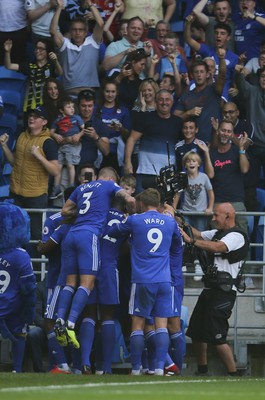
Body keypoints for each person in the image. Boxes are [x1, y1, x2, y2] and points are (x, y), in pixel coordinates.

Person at [54, 167, 135, 349]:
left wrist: (81, 212)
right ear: (112, 180)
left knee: (70, 283)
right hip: (89, 237)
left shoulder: (81, 188)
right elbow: (128, 197)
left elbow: (64, 211)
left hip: (71, 235)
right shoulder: (109, 185)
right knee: (86, 284)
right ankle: (70, 324)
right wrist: (131, 210)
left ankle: (60, 320)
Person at [108, 188, 183, 375]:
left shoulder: (135, 220)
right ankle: (159, 368)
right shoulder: (169, 221)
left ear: (141, 204)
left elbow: (114, 231)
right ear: (158, 204)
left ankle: (135, 368)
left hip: (142, 280)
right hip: (164, 280)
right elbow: (176, 244)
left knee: (138, 324)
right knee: (162, 326)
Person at [180, 202, 249, 376]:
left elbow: (218, 247)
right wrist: (181, 222)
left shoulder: (236, 235)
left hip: (224, 291)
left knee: (217, 335)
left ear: (228, 215)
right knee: (196, 331)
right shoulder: (218, 233)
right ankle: (202, 369)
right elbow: (199, 234)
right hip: (211, 288)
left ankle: (233, 373)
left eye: (216, 215)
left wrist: (192, 241)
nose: (213, 218)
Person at [0, 106, 59, 242]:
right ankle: (17, 263)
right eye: (30, 115)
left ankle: (37, 264)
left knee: (36, 234)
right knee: (13, 232)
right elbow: (14, 162)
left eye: (36, 116)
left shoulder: (48, 142)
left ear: (44, 122)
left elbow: (55, 171)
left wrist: (39, 156)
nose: (31, 118)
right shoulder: (21, 136)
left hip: (36, 195)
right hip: (16, 193)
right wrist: (4, 146)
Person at [0, 203, 36, 373]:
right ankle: (17, 369)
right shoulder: (21, 255)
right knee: (20, 332)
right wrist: (30, 313)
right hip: (11, 306)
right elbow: (28, 289)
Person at [124, 89, 183, 194]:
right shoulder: (145, 118)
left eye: (167, 99)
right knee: (143, 206)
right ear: (156, 102)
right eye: (161, 99)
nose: (164, 102)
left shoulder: (178, 123)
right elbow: (131, 139)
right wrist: (128, 162)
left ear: (172, 102)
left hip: (168, 174)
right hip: (145, 171)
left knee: (164, 207)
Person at [50, 0, 104, 95]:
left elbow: (100, 24)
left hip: (89, 95)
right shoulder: (65, 45)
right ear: (70, 31)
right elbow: (53, 31)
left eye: (80, 30)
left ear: (86, 32)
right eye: (74, 30)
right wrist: (59, 8)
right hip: (69, 95)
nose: (77, 33)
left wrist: (90, 4)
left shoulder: (93, 42)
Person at [174, 53, 226, 144]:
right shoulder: (186, 96)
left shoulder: (214, 90)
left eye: (202, 72)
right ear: (192, 75)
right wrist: (188, 113)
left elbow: (222, 75)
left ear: (207, 75)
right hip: (192, 146)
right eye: (196, 72)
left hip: (213, 143)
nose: (199, 75)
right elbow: (175, 119)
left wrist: (221, 59)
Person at [184, 14, 238, 102]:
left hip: (223, 89)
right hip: (205, 86)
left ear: (228, 37)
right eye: (216, 33)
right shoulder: (207, 50)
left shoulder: (234, 58)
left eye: (222, 33)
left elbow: (235, 78)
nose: (218, 36)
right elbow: (189, 40)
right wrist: (188, 24)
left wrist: (236, 89)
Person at [209, 120, 249, 233]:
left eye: (228, 131)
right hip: (218, 201)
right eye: (223, 130)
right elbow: (209, 175)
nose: (225, 133)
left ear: (232, 134)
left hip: (237, 201)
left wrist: (241, 149)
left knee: (242, 237)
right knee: (216, 237)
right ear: (218, 131)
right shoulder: (211, 153)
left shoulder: (237, 151)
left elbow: (245, 169)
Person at [4, 38, 63, 114]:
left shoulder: (51, 65)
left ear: (47, 51)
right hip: (29, 107)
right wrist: (7, 52)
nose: (38, 51)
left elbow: (60, 72)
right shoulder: (29, 66)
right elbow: (9, 66)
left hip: (47, 106)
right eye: (37, 48)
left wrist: (56, 61)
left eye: (41, 49)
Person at [50, 97, 85, 198]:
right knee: (58, 167)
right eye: (69, 107)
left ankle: (71, 185)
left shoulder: (76, 117)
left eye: (73, 107)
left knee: (70, 164)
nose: (72, 109)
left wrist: (78, 135)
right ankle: (56, 188)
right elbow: (51, 131)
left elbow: (84, 129)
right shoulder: (58, 120)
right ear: (62, 110)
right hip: (62, 145)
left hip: (72, 145)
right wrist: (55, 135)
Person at [95, 78, 131, 175]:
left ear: (117, 92)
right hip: (98, 151)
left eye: (113, 91)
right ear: (103, 92)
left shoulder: (123, 110)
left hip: (117, 153)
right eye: (107, 91)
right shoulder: (96, 109)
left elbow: (128, 136)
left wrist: (121, 128)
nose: (110, 95)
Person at [77, 90, 110, 166]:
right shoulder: (70, 120)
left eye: (90, 106)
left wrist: (96, 137)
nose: (87, 109)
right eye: (83, 106)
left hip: (90, 168)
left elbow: (106, 151)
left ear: (94, 106)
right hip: (70, 165)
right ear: (78, 105)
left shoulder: (100, 124)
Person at [0, 0, 28, 65]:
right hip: (1, 30)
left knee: (19, 60)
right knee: (1, 60)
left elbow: (30, 8)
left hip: (19, 29)